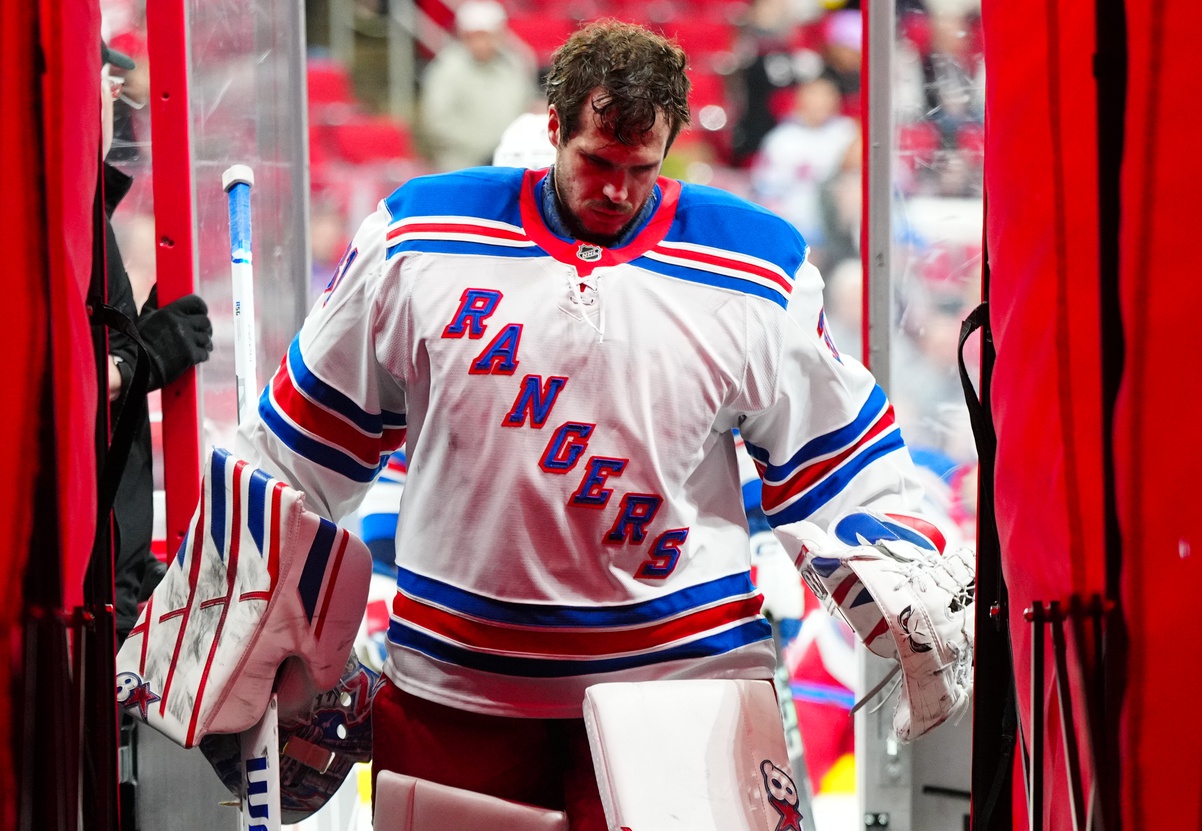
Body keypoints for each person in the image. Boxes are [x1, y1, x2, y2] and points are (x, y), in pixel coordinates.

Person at [235, 20, 973, 829]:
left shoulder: (755, 265)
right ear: (554, 128)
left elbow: (837, 453)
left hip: (688, 686)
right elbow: (302, 446)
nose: (617, 191)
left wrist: (904, 549)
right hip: (456, 686)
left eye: (640, 169)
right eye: (596, 163)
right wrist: (238, 597)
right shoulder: (418, 238)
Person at [101, 40, 214, 645]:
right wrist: (137, 359)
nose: (116, 94)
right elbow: (43, 386)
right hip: (80, 606)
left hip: (113, 585)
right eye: (103, 79)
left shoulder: (88, 216)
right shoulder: (41, 221)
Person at [417, 0, 539, 171]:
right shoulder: (446, 69)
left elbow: (525, 105)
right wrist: (483, 145)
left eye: (487, 35)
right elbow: (437, 122)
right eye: (474, 36)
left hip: (507, 162)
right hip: (462, 164)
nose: (481, 43)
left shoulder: (513, 65)